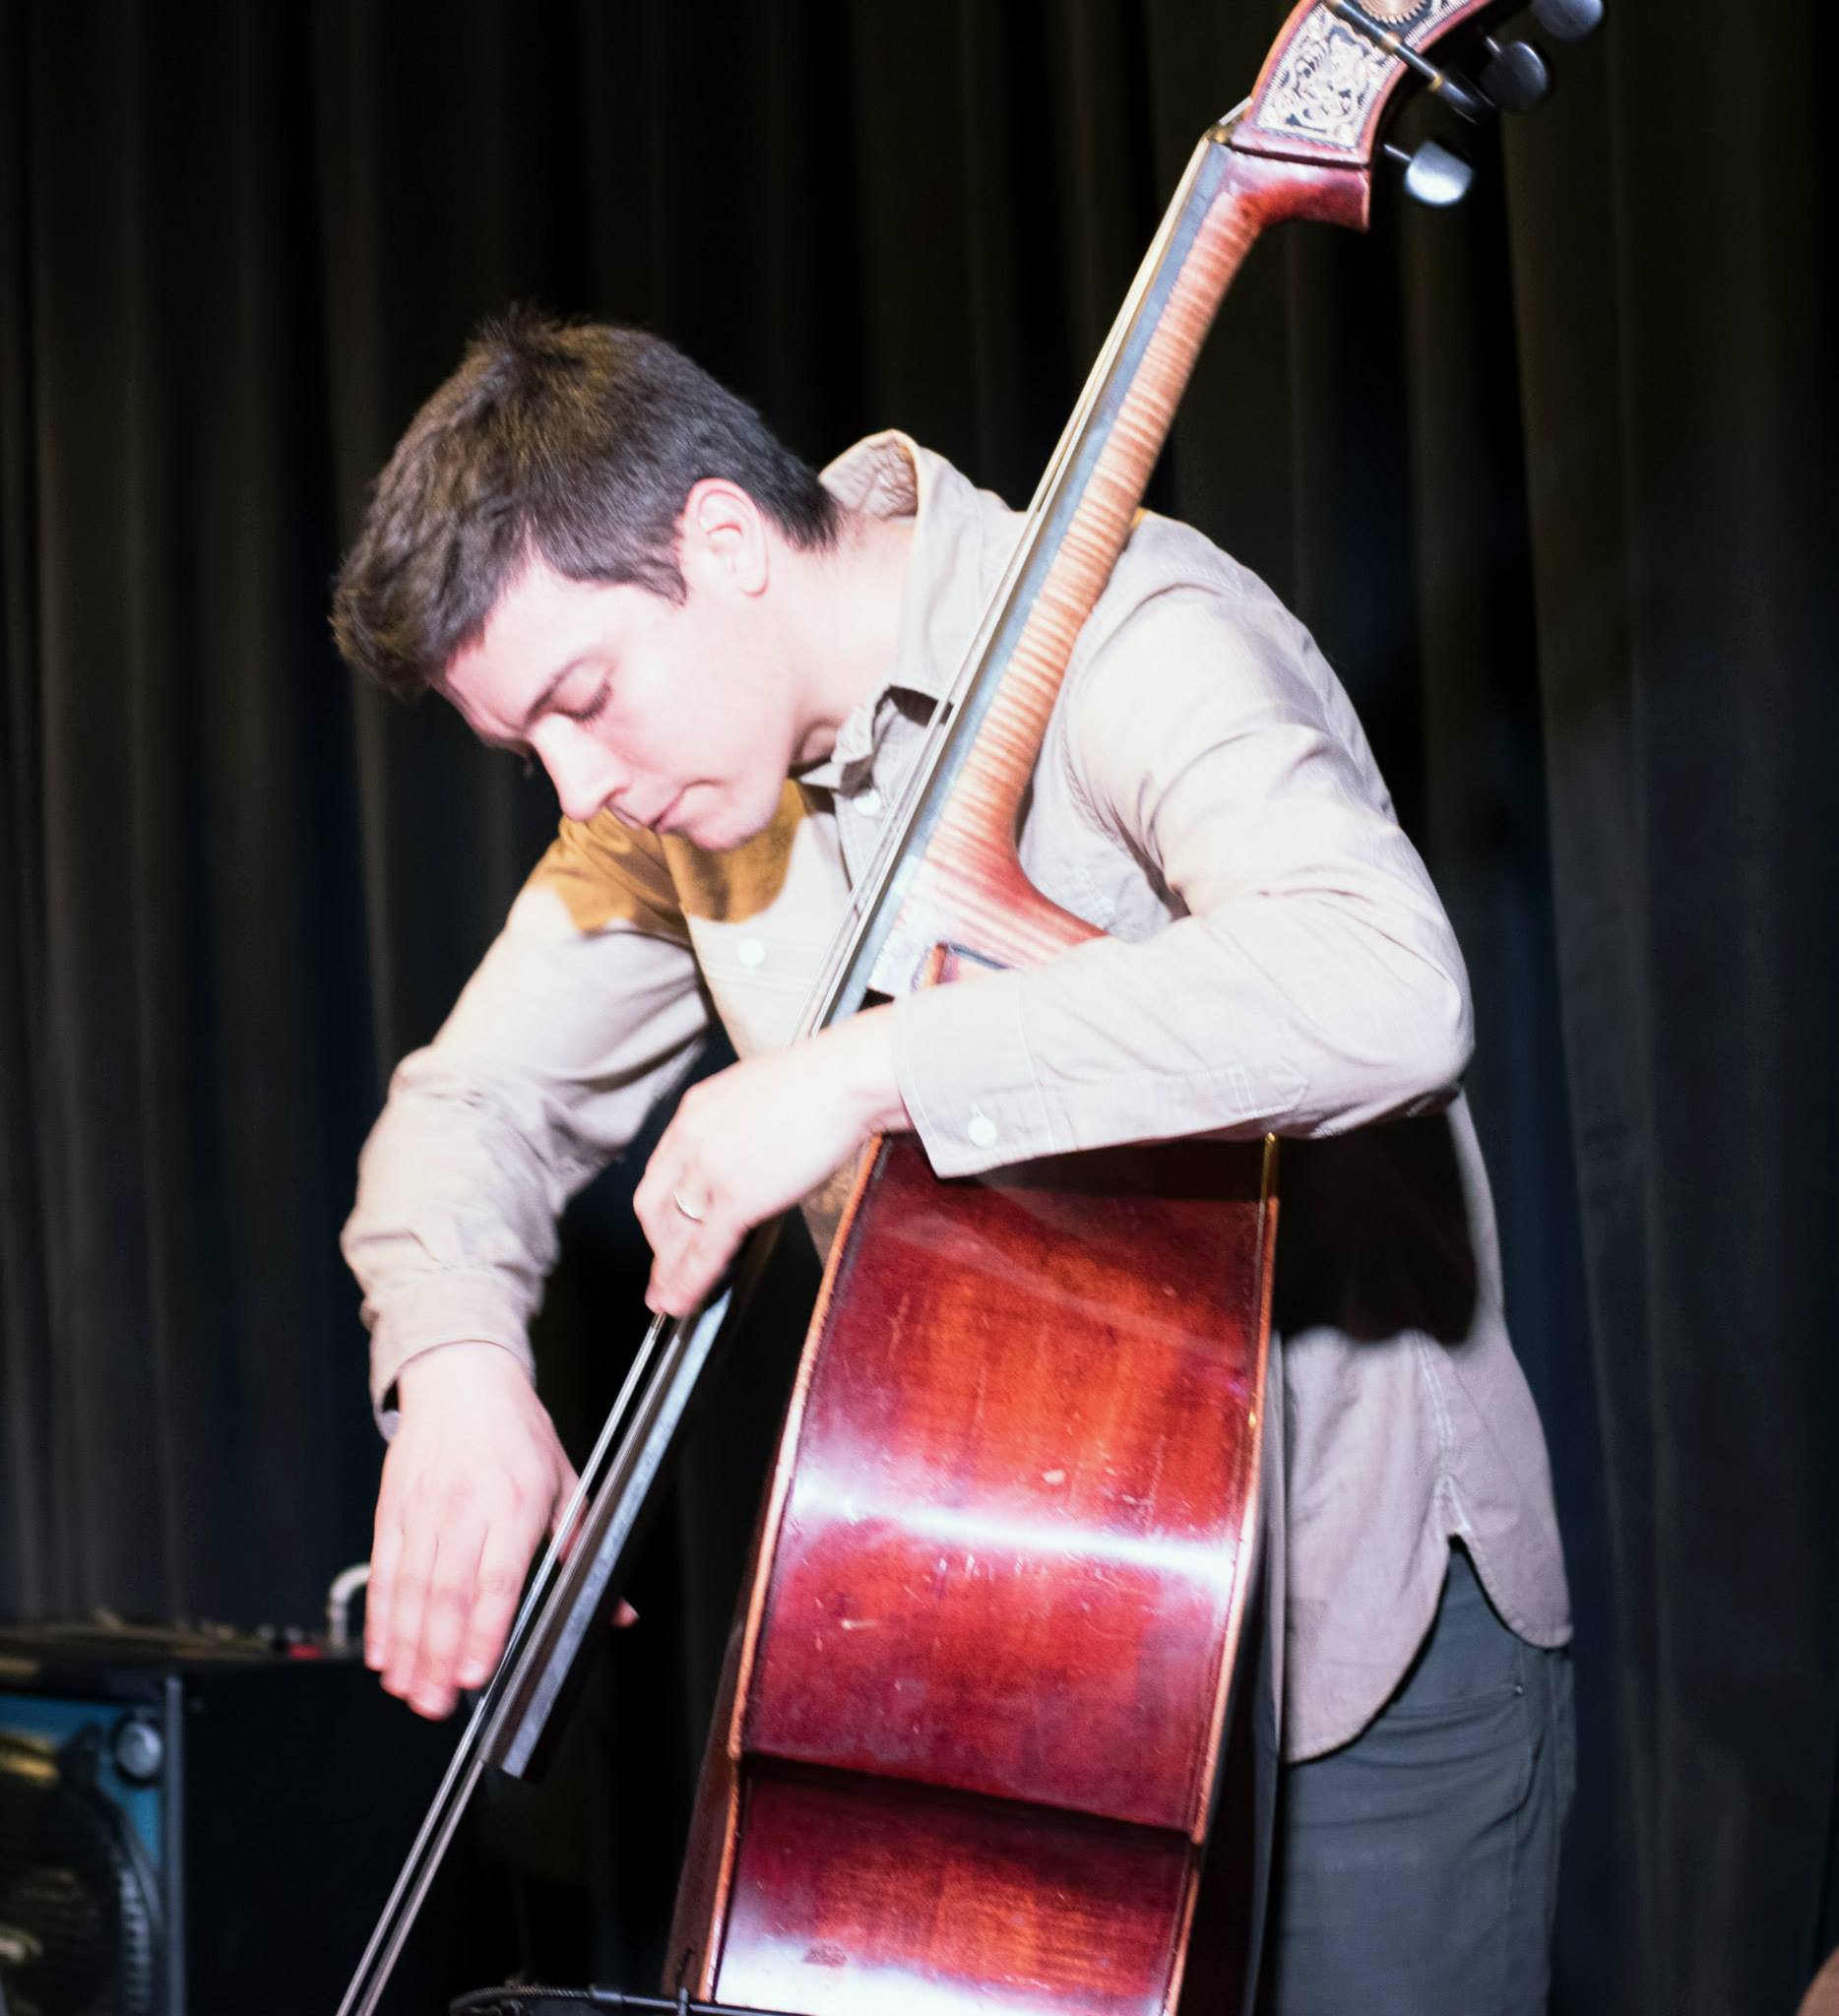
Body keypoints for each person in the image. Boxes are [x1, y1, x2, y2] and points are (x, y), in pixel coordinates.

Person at [332, 310, 1573, 2012]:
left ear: (720, 542)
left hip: (1347, 1651)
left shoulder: (1130, 626)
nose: (582, 790)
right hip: (1024, 1668)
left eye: (584, 701)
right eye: (528, 749)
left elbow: (1386, 992)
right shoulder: (693, 792)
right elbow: (466, 1110)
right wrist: (461, 1372)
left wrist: (876, 1072)